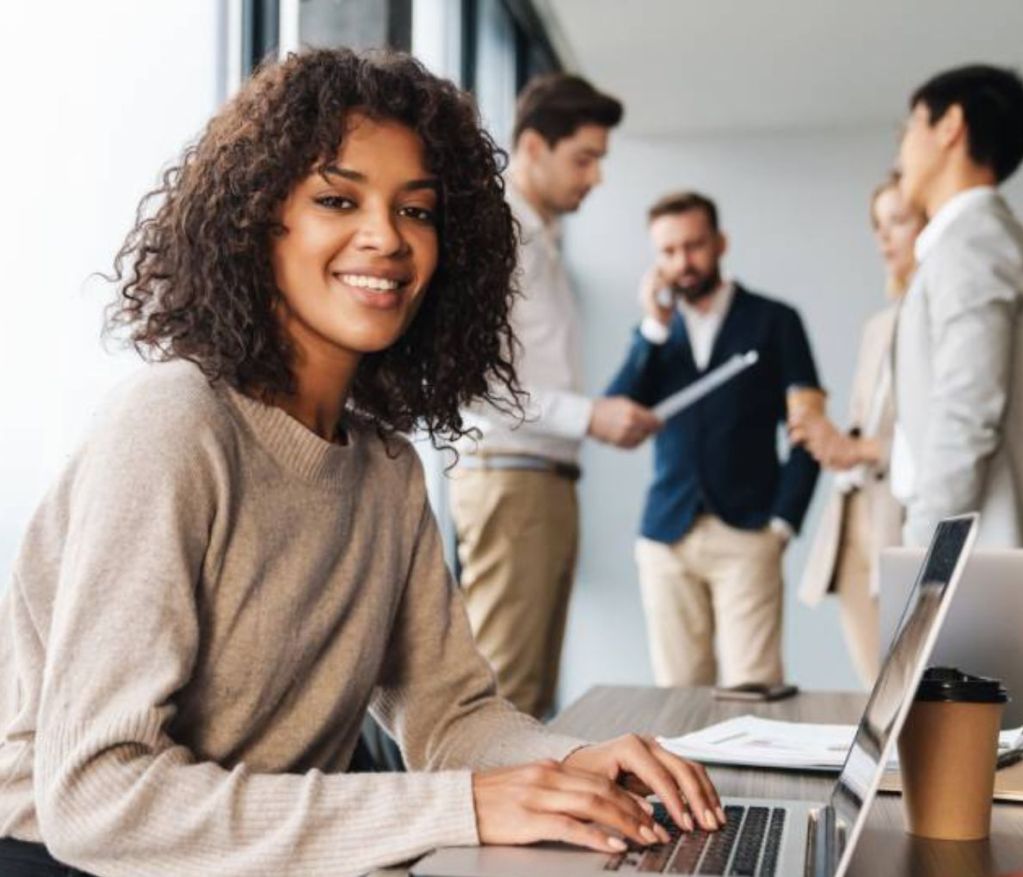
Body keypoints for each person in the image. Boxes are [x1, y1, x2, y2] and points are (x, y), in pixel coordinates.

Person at [0, 49, 725, 877]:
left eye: (416, 211)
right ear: (256, 218)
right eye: (337, 199)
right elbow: (97, 799)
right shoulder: (171, 424)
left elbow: (451, 714)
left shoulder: (385, 467)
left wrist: (571, 766)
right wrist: (464, 805)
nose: (386, 237)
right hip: (66, 859)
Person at [450, 74, 659, 719]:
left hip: (541, 479)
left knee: (530, 696)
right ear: (534, 147)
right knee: (504, 696)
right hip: (514, 478)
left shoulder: (541, 239)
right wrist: (588, 415)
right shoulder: (502, 236)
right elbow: (474, 384)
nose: (596, 177)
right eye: (585, 158)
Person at [606, 191, 821, 688]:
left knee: (754, 689)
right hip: (666, 534)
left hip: (748, 531)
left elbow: (809, 427)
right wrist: (653, 330)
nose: (683, 262)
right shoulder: (656, 335)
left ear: (720, 243)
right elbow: (615, 414)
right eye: (668, 251)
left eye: (695, 245)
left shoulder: (775, 320)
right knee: (678, 696)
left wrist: (784, 522)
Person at [794, 175, 925, 687]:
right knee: (877, 691)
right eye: (878, 225)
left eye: (898, 220)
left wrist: (860, 447)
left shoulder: (950, 320)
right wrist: (828, 439)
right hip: (851, 522)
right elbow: (864, 424)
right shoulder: (879, 325)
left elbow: (949, 437)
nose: (884, 238)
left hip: (906, 518)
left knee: (917, 690)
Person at [891, 64, 1023, 548]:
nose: (901, 151)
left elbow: (968, 408)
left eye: (908, 129)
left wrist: (926, 546)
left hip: (974, 547)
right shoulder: (977, 241)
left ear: (950, 127)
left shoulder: (974, 244)